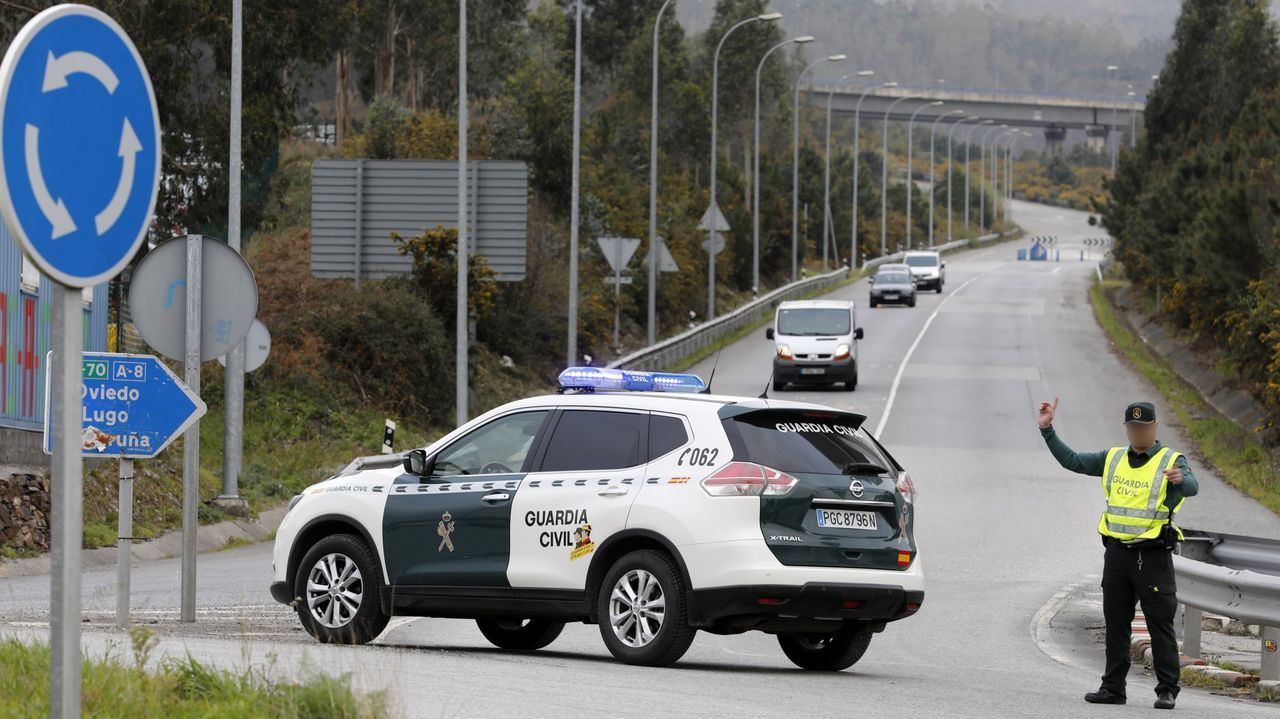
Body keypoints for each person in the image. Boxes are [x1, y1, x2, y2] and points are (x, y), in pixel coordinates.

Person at [1037, 398, 1198, 711]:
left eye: (1143, 427)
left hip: (1151, 557)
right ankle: (1113, 687)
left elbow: (1191, 486)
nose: (1137, 432)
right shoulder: (1112, 458)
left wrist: (1182, 480)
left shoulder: (1170, 460)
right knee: (1115, 623)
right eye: (1132, 427)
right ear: (1127, 428)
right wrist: (1048, 431)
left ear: (1154, 428)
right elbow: (1072, 460)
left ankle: (1167, 690)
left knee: (1159, 625)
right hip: (1117, 555)